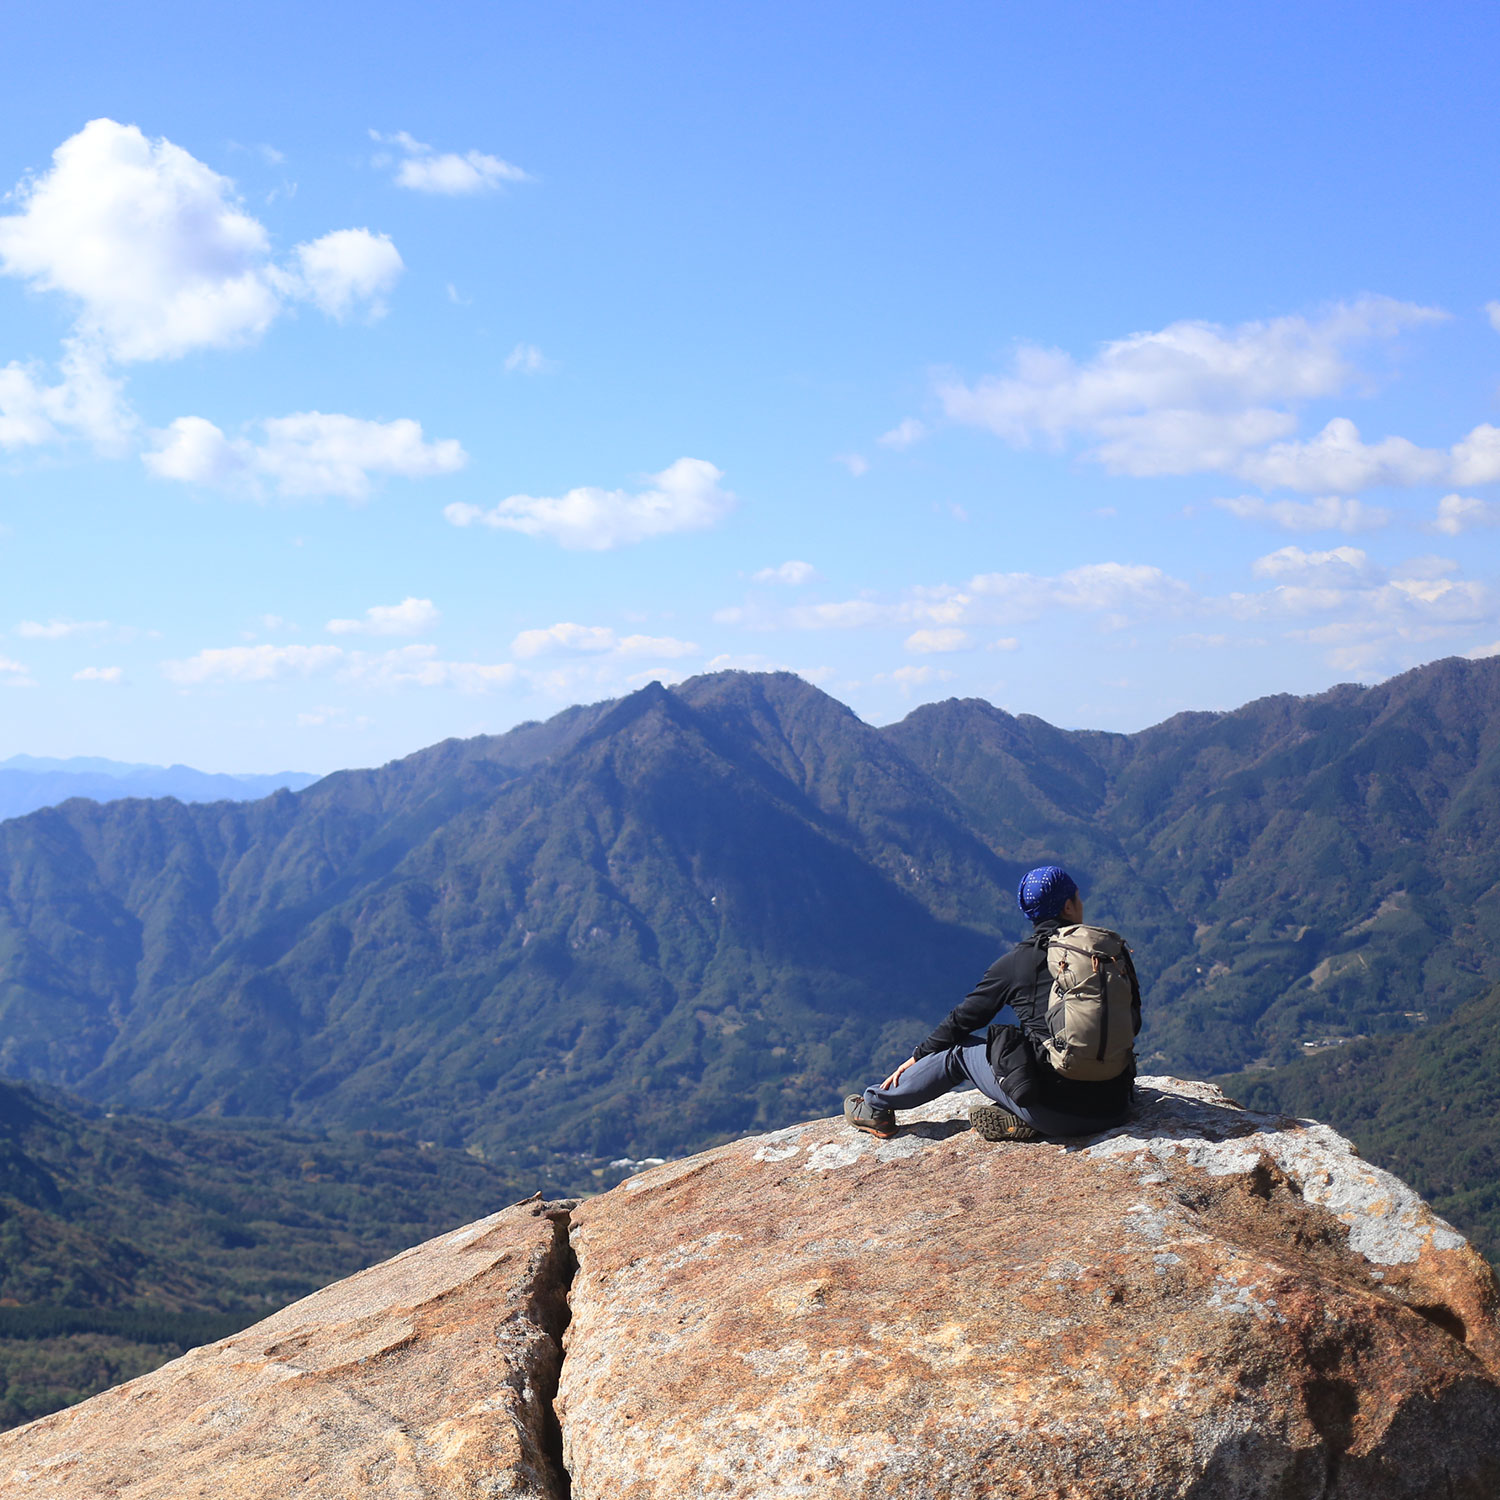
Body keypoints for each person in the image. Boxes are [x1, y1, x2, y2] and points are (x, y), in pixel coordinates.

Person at [843, 865, 1138, 1142]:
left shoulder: (1015, 964)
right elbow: (1132, 1023)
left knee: (959, 1051)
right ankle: (1023, 1116)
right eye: (1078, 897)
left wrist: (918, 1055)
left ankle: (875, 1105)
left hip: (1054, 1115)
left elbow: (962, 1020)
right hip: (1117, 1108)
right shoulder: (1108, 955)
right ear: (1068, 906)